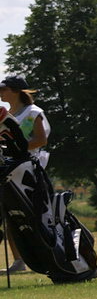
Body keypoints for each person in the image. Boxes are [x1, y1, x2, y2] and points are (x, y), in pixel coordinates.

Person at [0, 75, 51, 274]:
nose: (1, 93)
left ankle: (43, 255)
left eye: (4, 89)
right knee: (10, 214)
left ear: (16, 91)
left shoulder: (33, 112)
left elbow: (41, 139)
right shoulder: (5, 114)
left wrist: (17, 149)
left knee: (31, 213)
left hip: (28, 169)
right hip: (9, 168)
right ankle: (19, 260)